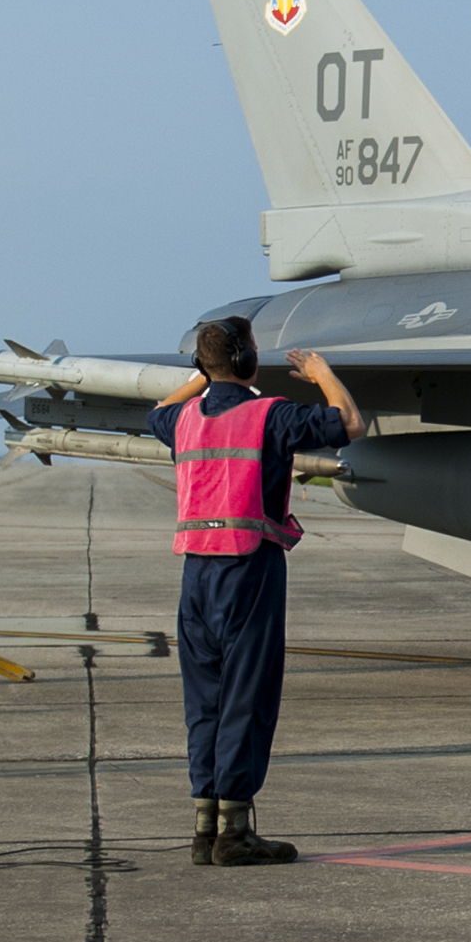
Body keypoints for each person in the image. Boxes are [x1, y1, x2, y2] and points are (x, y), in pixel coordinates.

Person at [147, 316, 364, 867]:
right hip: (248, 570)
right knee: (248, 695)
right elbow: (351, 423)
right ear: (248, 361)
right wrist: (322, 373)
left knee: (205, 701)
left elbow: (155, 412)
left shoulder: (183, 420)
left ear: (203, 365)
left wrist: (201, 379)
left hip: (196, 575)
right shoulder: (270, 415)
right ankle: (236, 833)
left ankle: (204, 829)